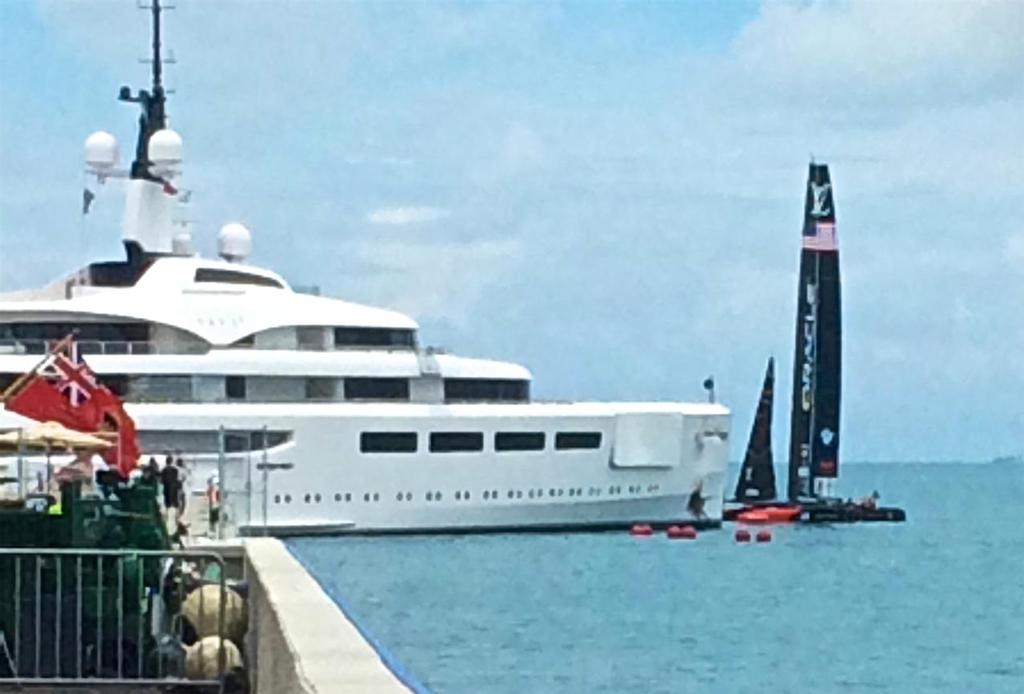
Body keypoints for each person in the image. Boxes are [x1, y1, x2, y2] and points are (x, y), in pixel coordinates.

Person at [160, 456, 181, 522]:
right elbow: (178, 479)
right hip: (174, 488)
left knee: (167, 504)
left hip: (167, 488)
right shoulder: (175, 469)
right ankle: (177, 518)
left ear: (166, 462)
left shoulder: (163, 470)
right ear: (171, 461)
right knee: (176, 504)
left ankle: (166, 518)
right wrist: (179, 487)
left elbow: (161, 481)